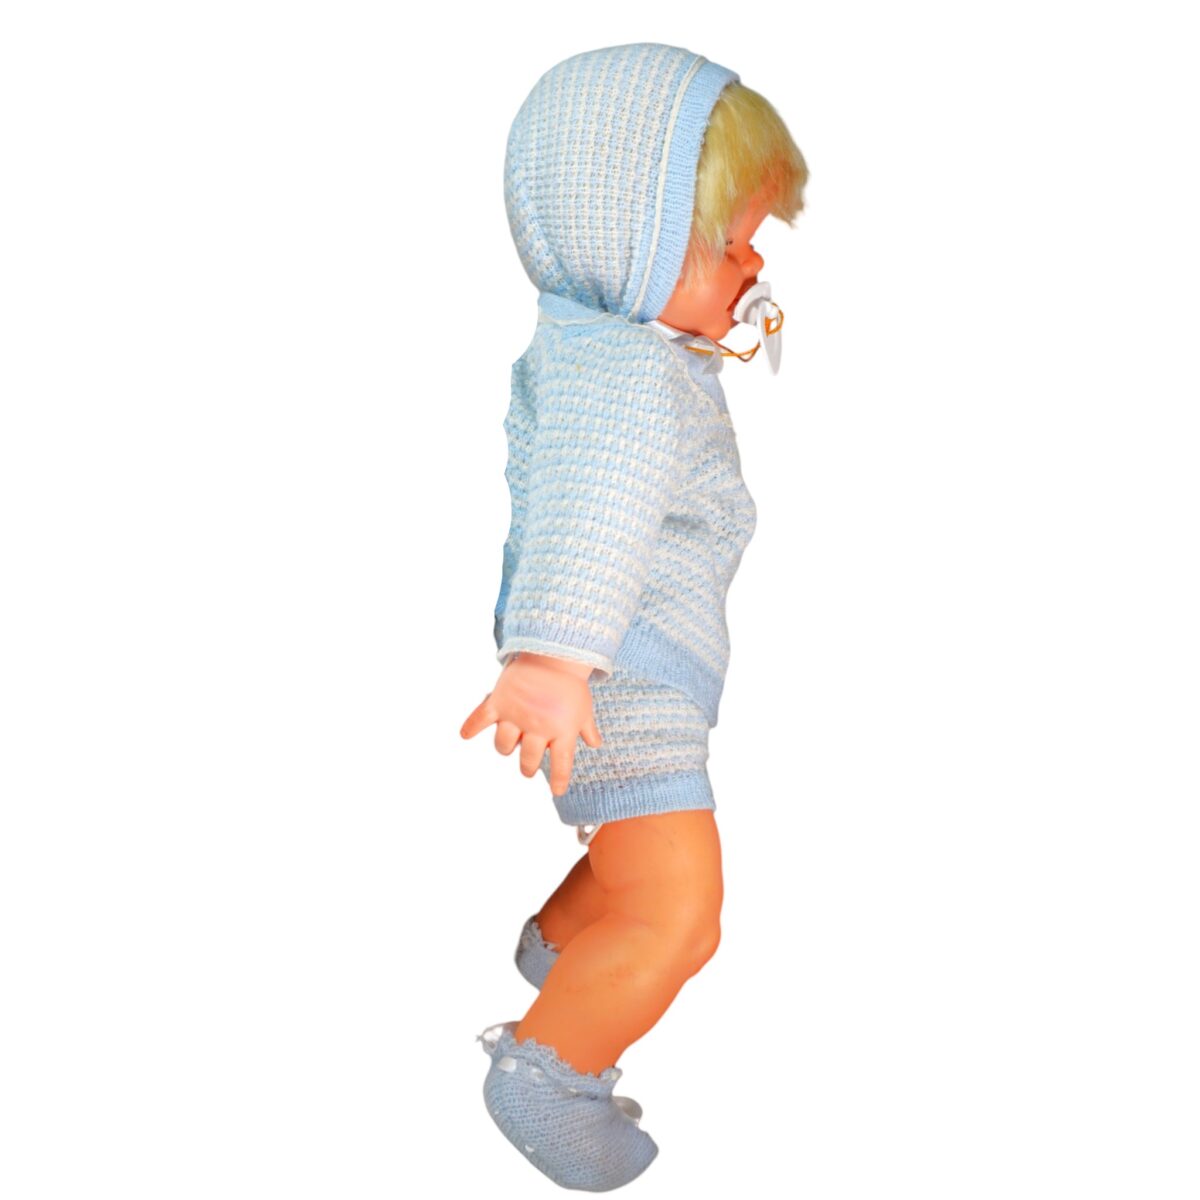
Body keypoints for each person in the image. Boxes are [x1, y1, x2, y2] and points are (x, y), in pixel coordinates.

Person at [460, 43, 808, 1190]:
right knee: (682, 912)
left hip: (627, 666)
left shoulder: (609, 352)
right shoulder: (622, 378)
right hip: (619, 676)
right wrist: (553, 659)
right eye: (730, 242)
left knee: (642, 867)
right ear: (633, 243)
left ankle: (566, 950)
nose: (754, 262)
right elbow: (590, 511)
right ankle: (549, 1072)